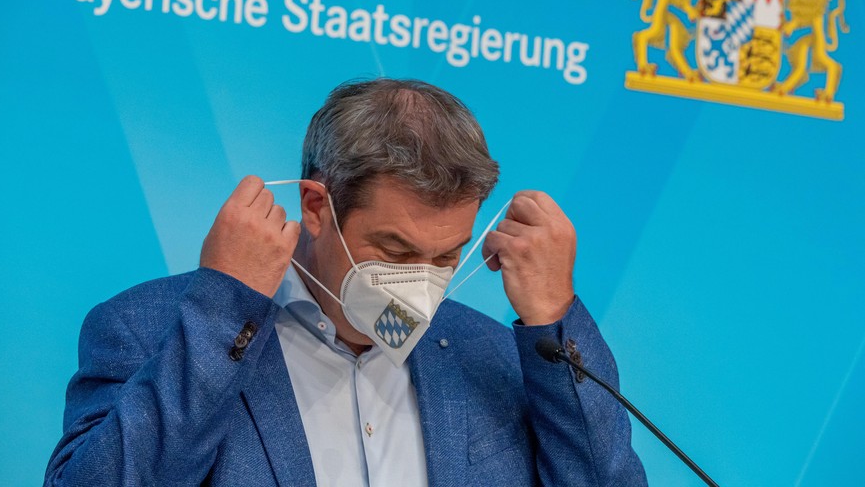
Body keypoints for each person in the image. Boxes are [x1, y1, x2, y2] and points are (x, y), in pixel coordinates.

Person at [45, 78, 647, 486]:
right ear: (314, 205)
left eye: (447, 255)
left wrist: (552, 316)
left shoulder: (500, 356)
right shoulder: (148, 327)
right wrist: (222, 311)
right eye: (395, 249)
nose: (422, 283)